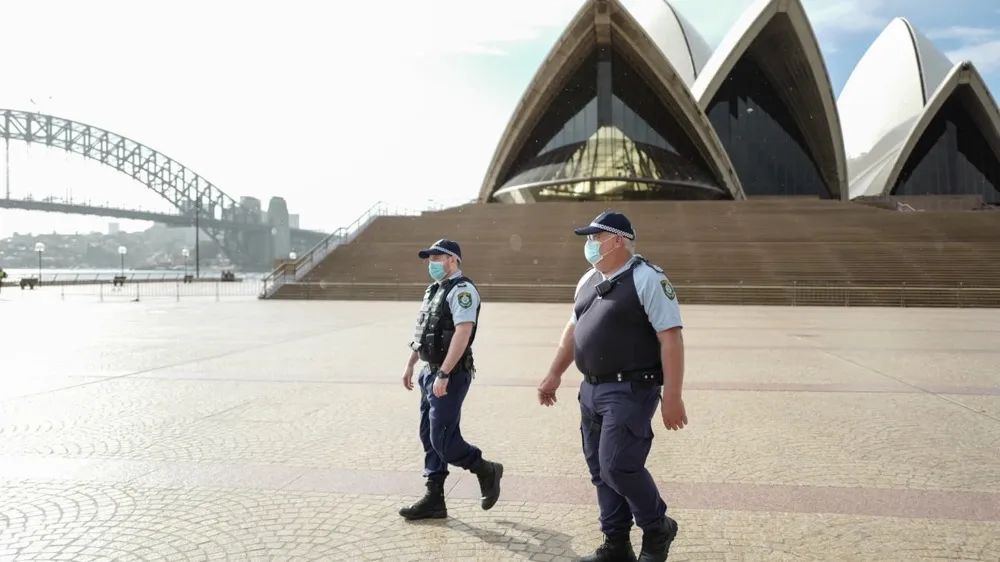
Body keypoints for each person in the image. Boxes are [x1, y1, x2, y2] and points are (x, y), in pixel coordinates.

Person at [537, 212, 687, 562]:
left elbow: (671, 339)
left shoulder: (647, 279)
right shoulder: (589, 279)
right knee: (599, 469)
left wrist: (674, 397)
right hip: (590, 389)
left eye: (595, 237)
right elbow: (571, 334)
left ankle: (656, 528)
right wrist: (554, 373)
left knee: (618, 464)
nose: (589, 244)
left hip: (631, 389)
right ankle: (616, 543)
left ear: (618, 239)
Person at [399, 238, 504, 520]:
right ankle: (435, 498)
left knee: (443, 439)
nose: (431, 263)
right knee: (428, 436)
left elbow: (462, 333)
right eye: (429, 258)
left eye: (437, 257)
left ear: (453, 260)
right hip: (428, 373)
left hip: (451, 374)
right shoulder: (433, 290)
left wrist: (444, 372)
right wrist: (411, 364)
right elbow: (423, 332)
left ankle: (485, 468)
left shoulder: (462, 291)